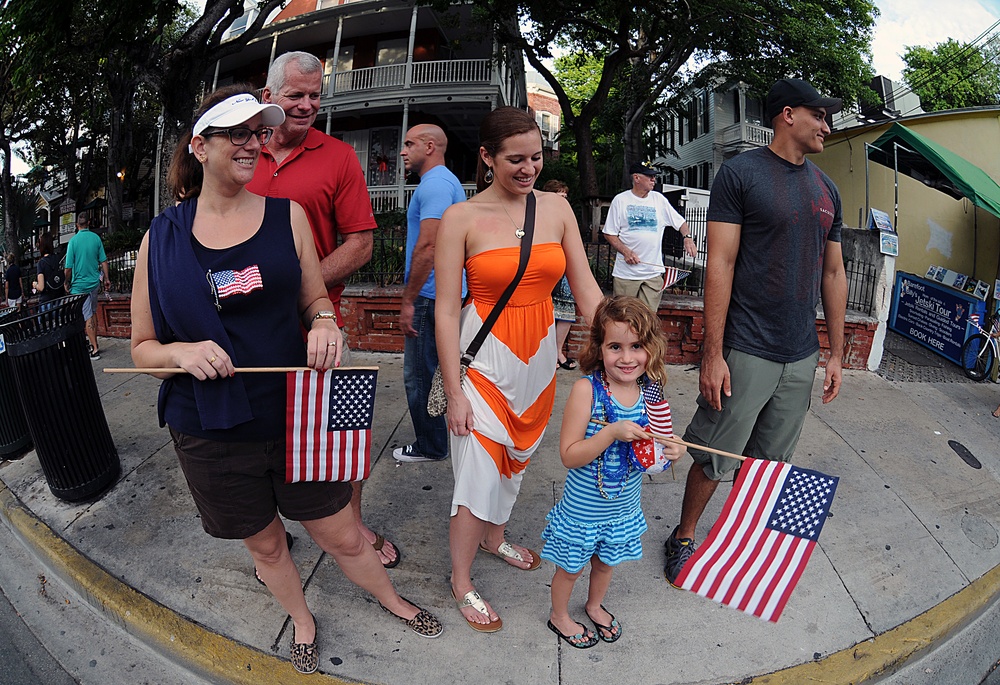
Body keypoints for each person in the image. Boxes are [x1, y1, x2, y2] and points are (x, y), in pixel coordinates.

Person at [131, 86, 443, 674]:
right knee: (266, 544)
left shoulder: (286, 216)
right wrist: (180, 352)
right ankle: (301, 619)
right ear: (200, 146)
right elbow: (142, 348)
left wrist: (326, 323)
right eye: (239, 134)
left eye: (259, 133)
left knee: (343, 533)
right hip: (210, 429)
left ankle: (392, 598)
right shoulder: (160, 239)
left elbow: (314, 302)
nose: (254, 144)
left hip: (297, 413)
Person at [662, 77, 848, 586]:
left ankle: (741, 542)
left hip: (800, 352)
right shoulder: (741, 175)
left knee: (772, 462)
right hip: (746, 346)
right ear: (787, 114)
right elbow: (719, 263)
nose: (826, 127)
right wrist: (712, 353)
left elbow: (833, 273)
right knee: (715, 453)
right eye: (819, 115)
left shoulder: (826, 189)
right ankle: (683, 536)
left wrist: (833, 352)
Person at [435, 106, 603, 632]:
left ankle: (494, 537)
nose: (528, 168)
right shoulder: (459, 219)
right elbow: (443, 310)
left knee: (517, 458)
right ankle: (461, 579)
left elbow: (587, 290)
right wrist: (454, 390)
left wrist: (629, 347)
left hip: (537, 362)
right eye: (515, 159)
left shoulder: (556, 208)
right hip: (481, 357)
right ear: (486, 157)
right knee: (478, 472)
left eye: (536, 157)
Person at [249, 51, 401, 569]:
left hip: (319, 324)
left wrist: (301, 290)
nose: (308, 105)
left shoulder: (337, 156)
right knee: (255, 432)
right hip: (247, 326)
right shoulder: (242, 153)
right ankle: (268, 539)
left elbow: (361, 245)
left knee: (341, 432)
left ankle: (352, 525)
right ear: (268, 97)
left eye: (316, 95)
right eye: (296, 95)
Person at [542, 296, 684, 648]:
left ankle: (593, 605)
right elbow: (569, 455)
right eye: (615, 346)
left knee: (606, 564)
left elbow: (656, 449)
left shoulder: (650, 394)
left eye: (637, 346)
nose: (626, 357)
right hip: (583, 510)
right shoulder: (585, 391)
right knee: (571, 567)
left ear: (650, 348)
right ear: (599, 347)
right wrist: (610, 433)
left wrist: (673, 449)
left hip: (622, 508)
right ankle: (558, 615)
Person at [393, 123, 466, 463]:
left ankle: (430, 446)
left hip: (430, 295)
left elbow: (427, 246)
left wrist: (409, 300)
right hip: (441, 293)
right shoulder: (444, 182)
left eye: (409, 144)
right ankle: (436, 440)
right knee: (438, 369)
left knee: (419, 374)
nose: (403, 152)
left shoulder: (435, 185)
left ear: (430, 146)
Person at [602, 162, 696, 312]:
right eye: (650, 176)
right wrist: (626, 252)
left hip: (652, 275)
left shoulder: (659, 200)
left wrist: (688, 237)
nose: (654, 180)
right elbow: (609, 233)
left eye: (654, 177)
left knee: (647, 320)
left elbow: (681, 223)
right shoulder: (620, 200)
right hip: (626, 274)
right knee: (624, 319)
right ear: (637, 178)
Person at [542, 180, 578, 370]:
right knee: (546, 312)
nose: (564, 201)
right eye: (560, 197)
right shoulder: (539, 216)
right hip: (546, 270)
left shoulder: (568, 217)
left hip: (565, 270)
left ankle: (558, 353)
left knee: (566, 312)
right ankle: (546, 356)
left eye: (565, 197)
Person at [64, 214, 109, 360]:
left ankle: (94, 348)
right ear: (88, 223)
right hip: (94, 283)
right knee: (93, 312)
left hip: (79, 286)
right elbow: (104, 261)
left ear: (77, 225)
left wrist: (66, 281)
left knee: (87, 315)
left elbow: (68, 267)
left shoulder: (73, 242)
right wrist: (106, 279)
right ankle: (94, 342)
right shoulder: (96, 238)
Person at [34, 233, 66, 311]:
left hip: (46, 303)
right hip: (60, 301)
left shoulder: (41, 263)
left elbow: (41, 287)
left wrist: (35, 285)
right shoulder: (58, 258)